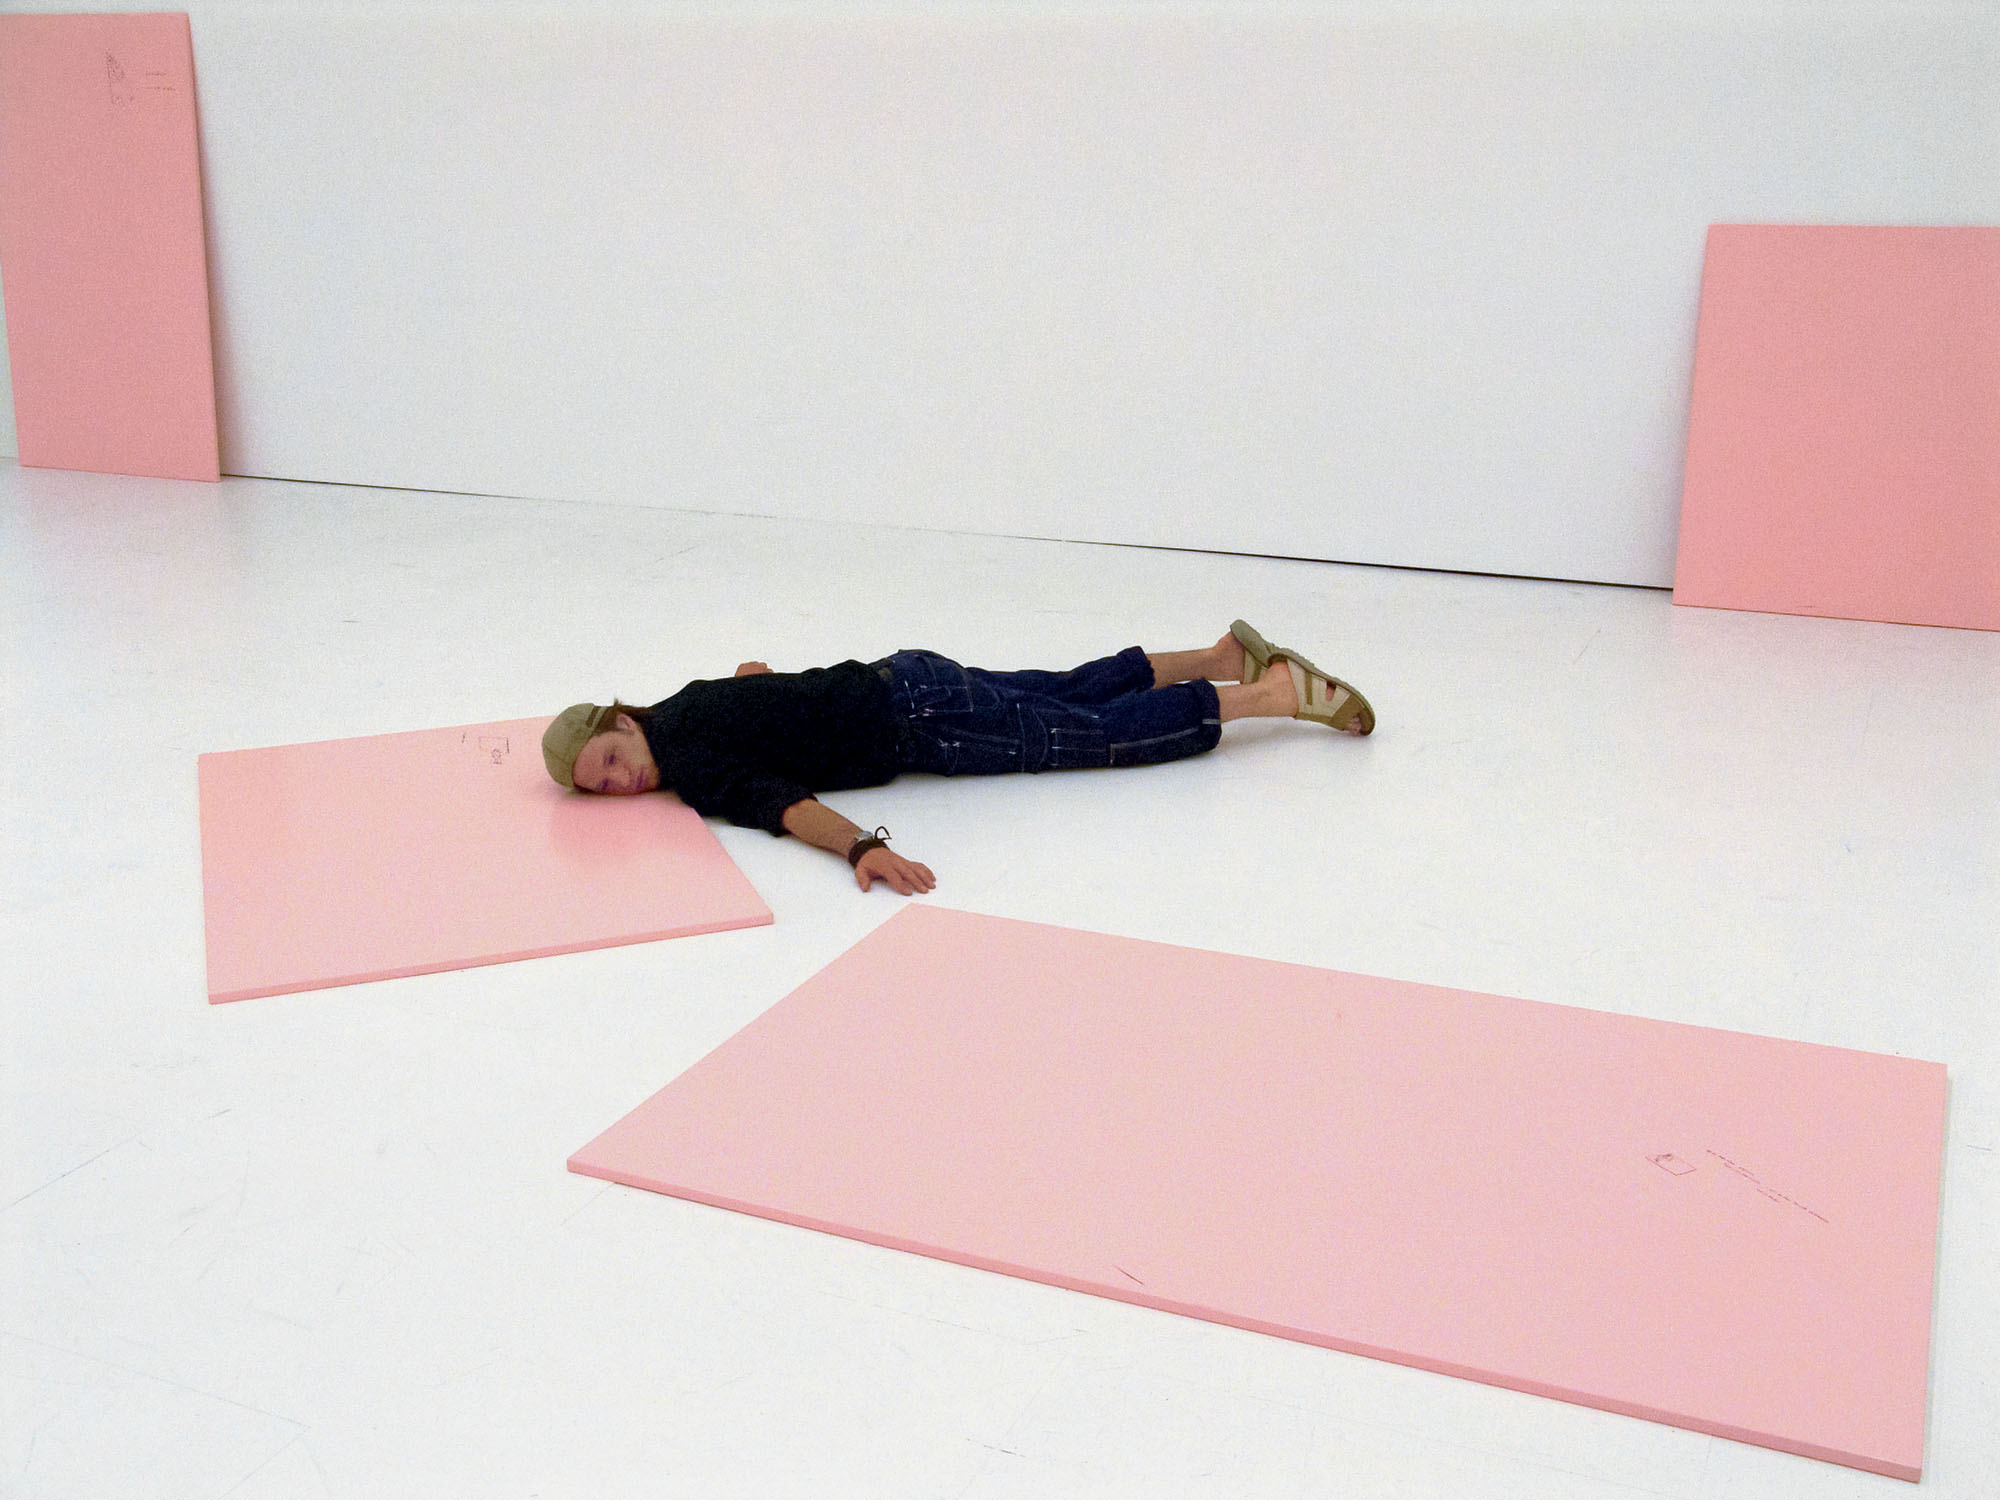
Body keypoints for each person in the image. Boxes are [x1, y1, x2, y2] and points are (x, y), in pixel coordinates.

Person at [540, 620, 1373, 895]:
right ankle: (1222, 655)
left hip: (923, 725)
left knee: (1082, 735)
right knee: (1062, 691)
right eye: (601, 787)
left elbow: (779, 806)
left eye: (609, 757)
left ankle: (1273, 694)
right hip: (907, 675)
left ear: (621, 718)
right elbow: (757, 681)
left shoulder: (689, 760)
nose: (622, 782)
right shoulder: (687, 700)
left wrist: (860, 849)